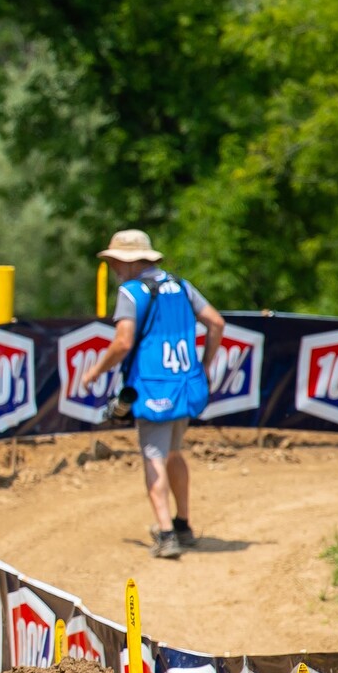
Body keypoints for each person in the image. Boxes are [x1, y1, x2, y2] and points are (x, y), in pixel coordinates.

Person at [75, 229, 226, 561]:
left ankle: (166, 534)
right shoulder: (181, 286)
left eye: (115, 262)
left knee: (154, 457)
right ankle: (183, 524)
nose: (115, 269)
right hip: (185, 385)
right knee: (174, 452)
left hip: (153, 387)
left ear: (128, 262)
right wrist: (203, 366)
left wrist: (94, 371)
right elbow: (216, 323)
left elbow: (123, 342)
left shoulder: (131, 292)